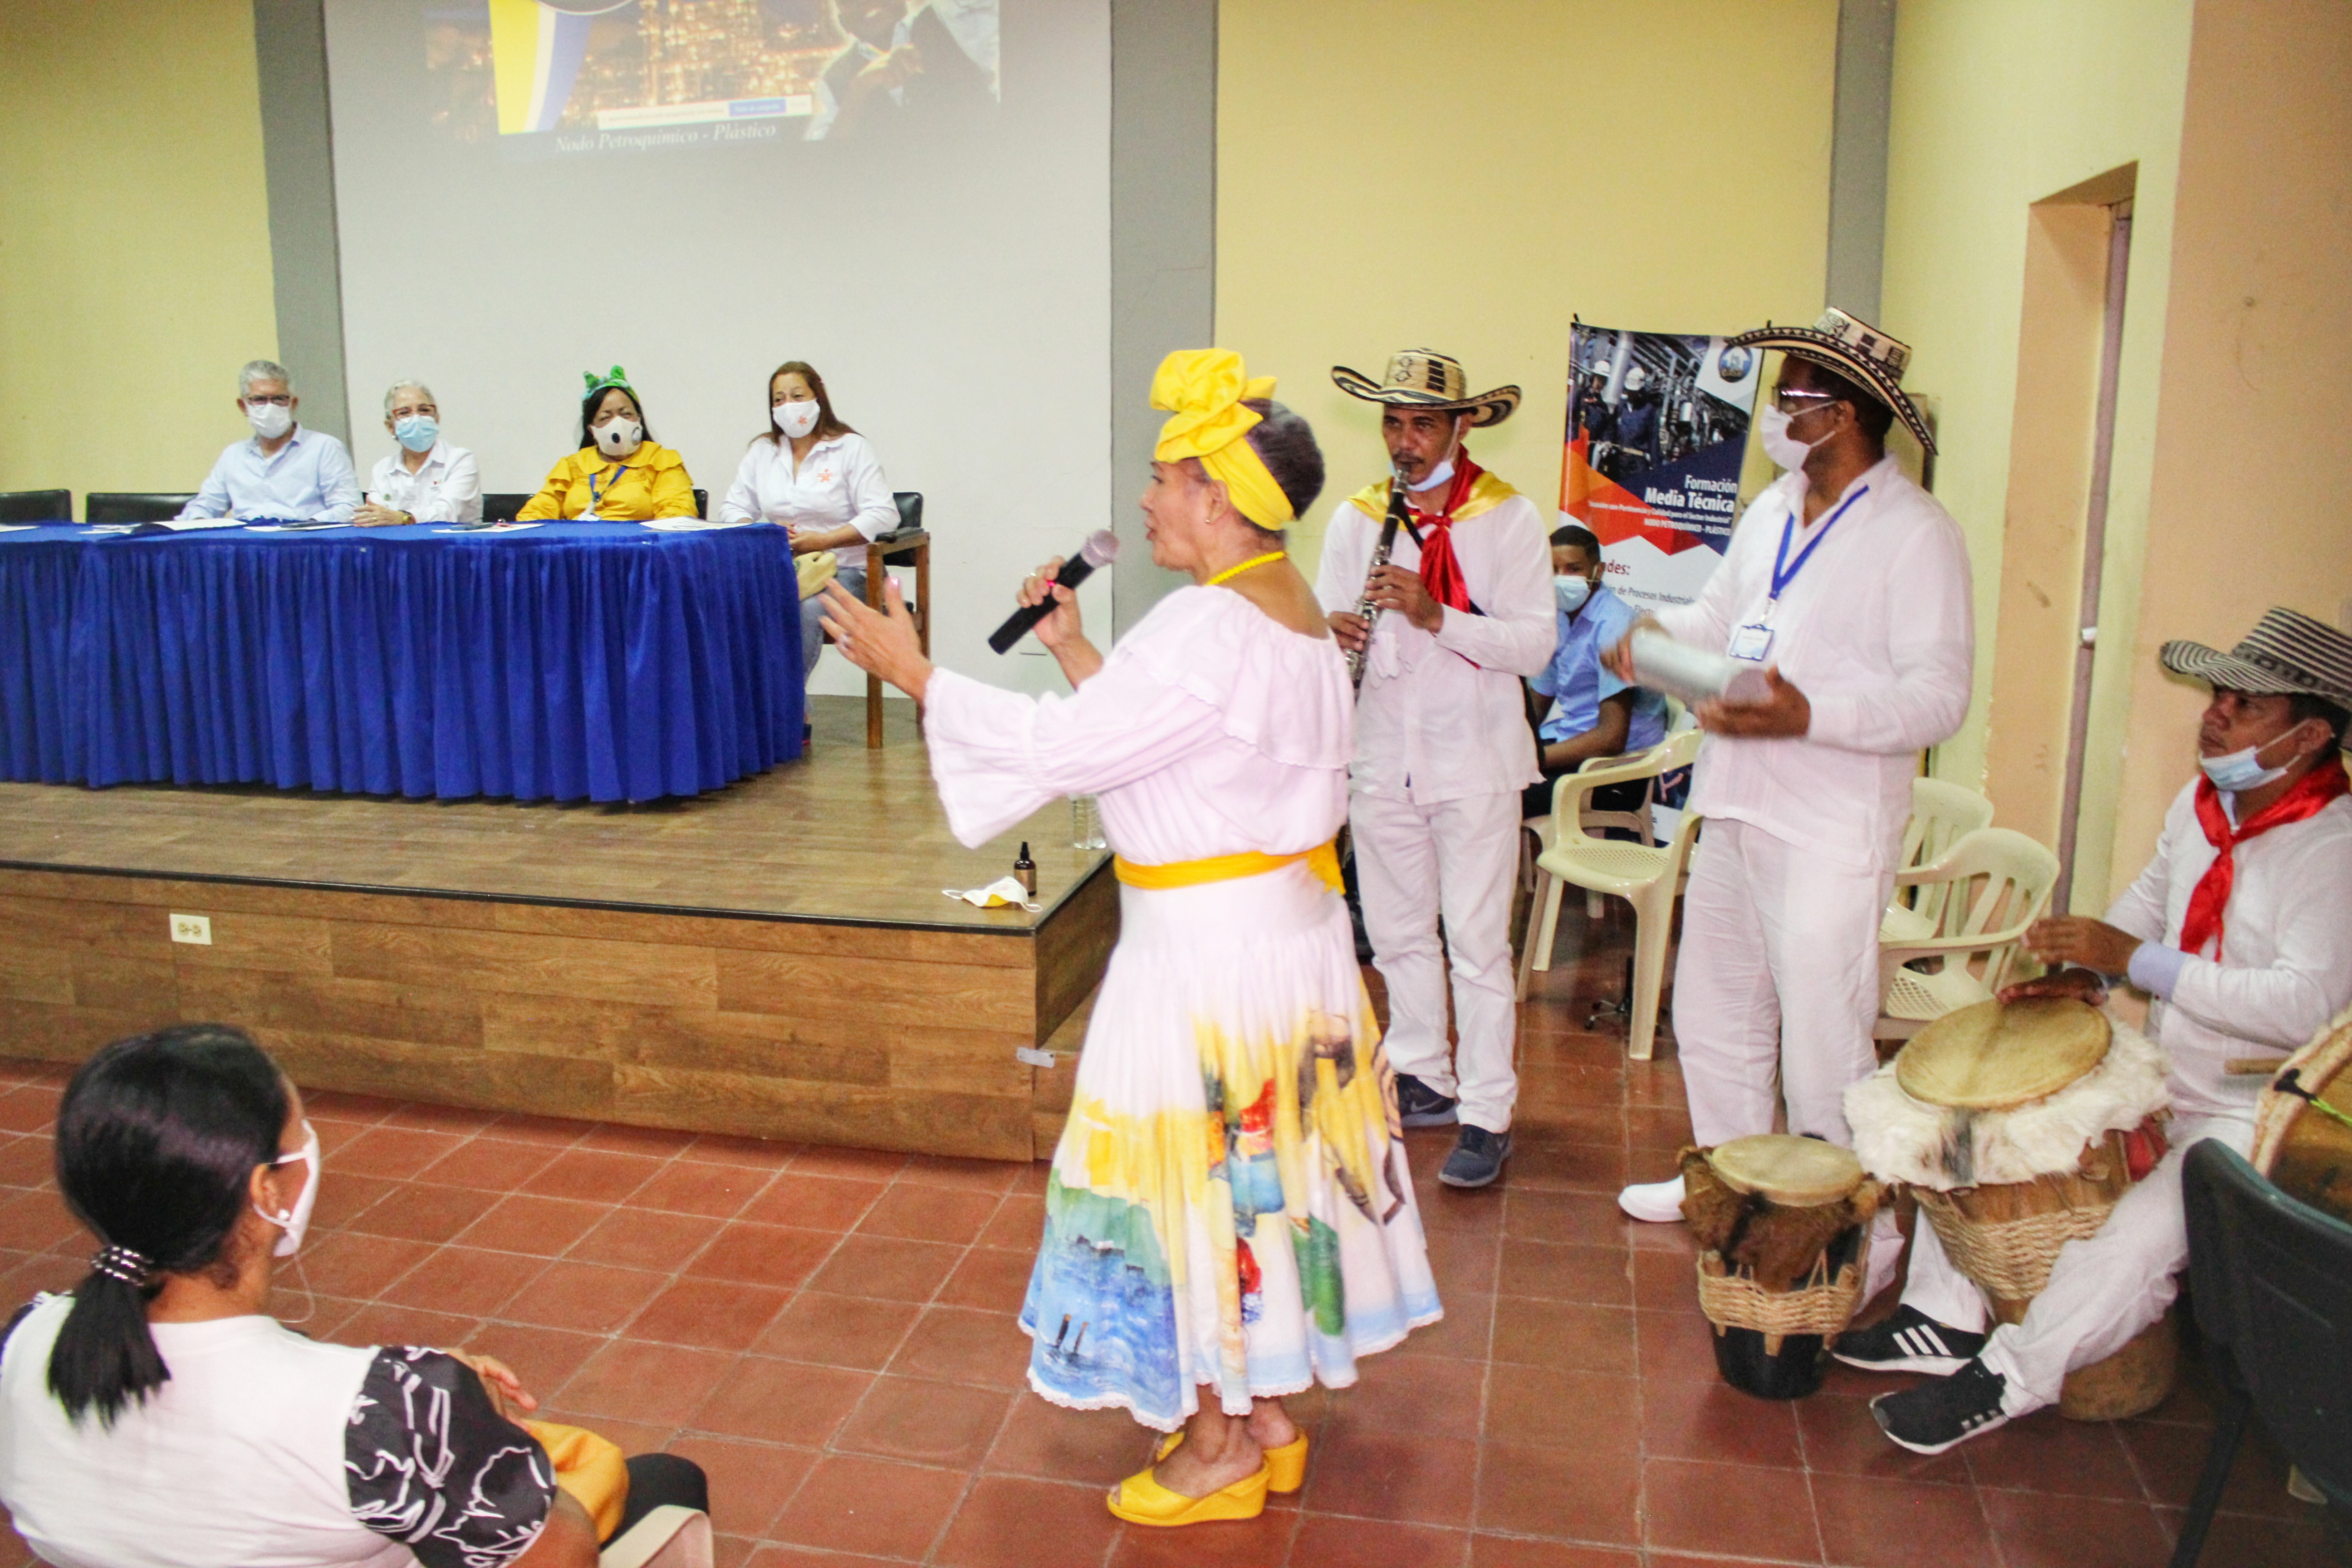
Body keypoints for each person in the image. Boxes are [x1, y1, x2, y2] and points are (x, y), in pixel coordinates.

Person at [818, 350, 1437, 1528]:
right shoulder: (1293, 615)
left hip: (1202, 968)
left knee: (1189, 1190)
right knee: (1260, 1179)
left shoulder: (1204, 627)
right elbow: (1159, 746)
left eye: (1163, 476)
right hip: (1283, 950)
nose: (1146, 499)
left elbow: (1068, 753)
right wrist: (1068, 645)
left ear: (1218, 493)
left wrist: (918, 675)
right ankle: (1264, 1412)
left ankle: (1216, 1446)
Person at [1852, 608, 2352, 1453]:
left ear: (2308, 735)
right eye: (2219, 694)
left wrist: (2135, 960)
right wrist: (2089, 976)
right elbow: (2152, 899)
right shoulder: (2204, 804)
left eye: (2246, 705)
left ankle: (2009, 1379)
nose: (2216, 714)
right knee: (1970, 1116)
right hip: (2167, 1068)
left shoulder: (2330, 850)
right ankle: (1942, 1316)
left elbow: (2304, 1007)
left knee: (2134, 1243)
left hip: (2260, 1106)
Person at [0, 1023, 709, 1568]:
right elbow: (559, 1560)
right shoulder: (389, 1415)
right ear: (266, 1192)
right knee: (667, 1480)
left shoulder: (23, 1342)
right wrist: (485, 1439)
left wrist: (429, 1399)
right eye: (298, 1135)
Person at [1609, 309, 1974, 1233]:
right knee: (1715, 1016)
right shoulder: (1772, 508)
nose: (1771, 412)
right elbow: (1718, 619)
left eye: (1788, 397)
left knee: (1822, 1049)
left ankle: (1849, 1233)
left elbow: (1938, 699)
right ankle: (1732, 1185)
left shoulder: (1915, 534)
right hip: (1734, 802)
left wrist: (1810, 714)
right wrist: (1653, 638)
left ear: (1840, 415)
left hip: (1827, 829)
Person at [1315, 349, 1556, 1190]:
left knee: (1478, 944)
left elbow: (1535, 645)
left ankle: (1488, 1111)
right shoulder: (1356, 518)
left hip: (1475, 764)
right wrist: (1333, 635)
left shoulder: (1509, 518)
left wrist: (1435, 615)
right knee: (1396, 933)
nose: (1403, 441)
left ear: (1460, 427)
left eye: (1422, 424)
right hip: (1383, 759)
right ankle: (1422, 1072)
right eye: (1392, 423)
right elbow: (1323, 628)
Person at [717, 362, 898, 690]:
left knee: (807, 607)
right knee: (736, 602)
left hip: (850, 572)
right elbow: (733, 507)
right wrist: (763, 533)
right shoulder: (763, 452)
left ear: (818, 397)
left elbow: (884, 514)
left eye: (797, 396)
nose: (788, 406)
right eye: (779, 399)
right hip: (787, 569)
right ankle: (761, 703)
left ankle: (786, 706)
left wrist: (825, 541)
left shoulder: (851, 448)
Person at [1523, 524, 1670, 821]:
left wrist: (1534, 758)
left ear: (1598, 571)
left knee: (1506, 795)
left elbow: (1612, 738)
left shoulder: (1614, 626)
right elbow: (1537, 705)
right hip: (1574, 745)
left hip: (1619, 770)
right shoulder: (1558, 619)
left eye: (1573, 569)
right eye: (1553, 570)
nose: (1561, 578)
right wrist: (1505, 743)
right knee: (1487, 780)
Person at [179, 359, 360, 524]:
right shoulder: (233, 455)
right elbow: (206, 505)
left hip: (303, 541)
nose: (270, 407)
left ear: (293, 404)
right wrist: (198, 520)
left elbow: (349, 507)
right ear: (243, 406)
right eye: (259, 400)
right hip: (247, 544)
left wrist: (306, 525)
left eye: (279, 399)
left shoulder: (325, 448)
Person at [517, 368, 696, 521]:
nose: (618, 423)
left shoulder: (662, 461)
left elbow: (678, 514)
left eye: (626, 414)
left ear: (639, 419)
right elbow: (537, 512)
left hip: (637, 548)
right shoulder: (572, 466)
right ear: (592, 430)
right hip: (579, 548)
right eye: (605, 417)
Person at [354, 379, 481, 525]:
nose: (416, 418)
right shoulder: (382, 469)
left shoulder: (460, 460)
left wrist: (405, 518)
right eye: (404, 413)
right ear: (391, 427)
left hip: (454, 539)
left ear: (437, 419)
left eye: (424, 410)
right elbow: (376, 517)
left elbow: (447, 512)